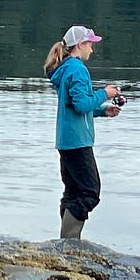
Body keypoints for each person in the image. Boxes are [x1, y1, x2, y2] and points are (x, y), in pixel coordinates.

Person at [45, 24, 121, 239]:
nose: (92, 49)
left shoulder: (67, 68)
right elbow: (80, 105)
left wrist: (103, 111)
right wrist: (105, 93)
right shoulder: (77, 69)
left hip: (66, 140)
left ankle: (66, 242)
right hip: (78, 141)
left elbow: (77, 104)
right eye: (90, 44)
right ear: (80, 44)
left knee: (73, 192)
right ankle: (70, 241)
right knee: (89, 192)